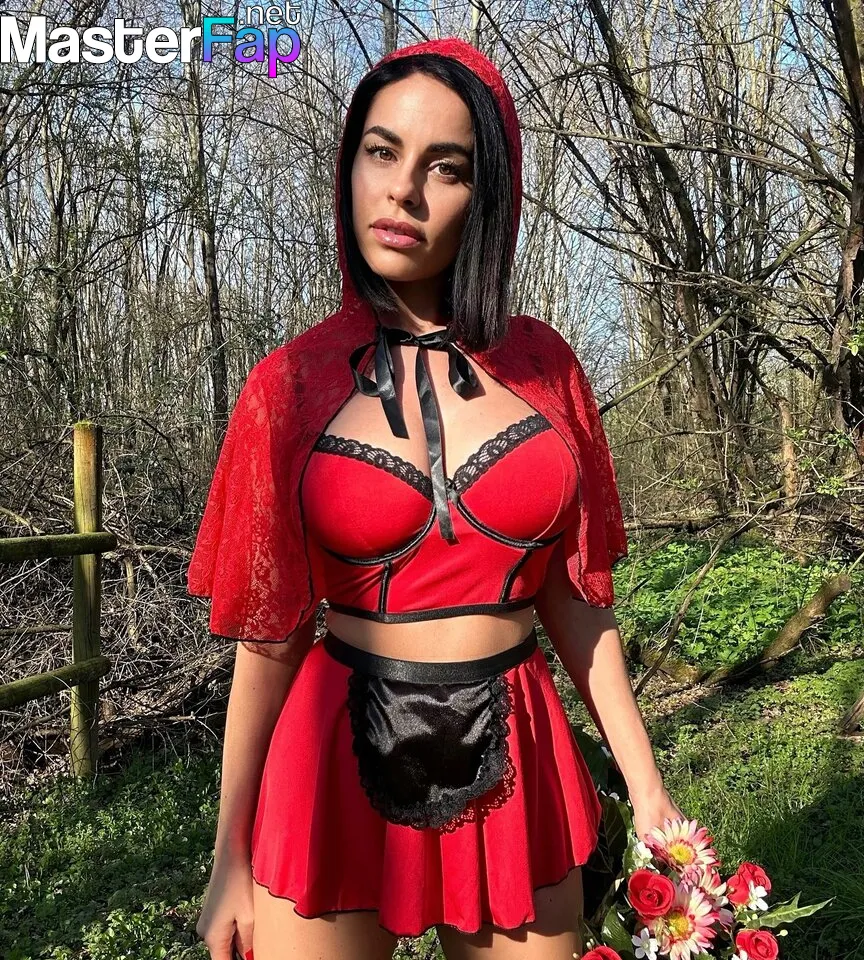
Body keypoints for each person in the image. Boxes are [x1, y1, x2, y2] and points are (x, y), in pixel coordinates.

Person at [189, 35, 680, 960]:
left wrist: (648, 790)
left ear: (487, 195)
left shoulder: (546, 369)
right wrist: (229, 857)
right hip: (331, 760)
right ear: (349, 167)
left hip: (518, 753)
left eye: (444, 167)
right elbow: (270, 638)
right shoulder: (286, 388)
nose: (404, 190)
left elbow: (574, 597)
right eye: (382, 152)